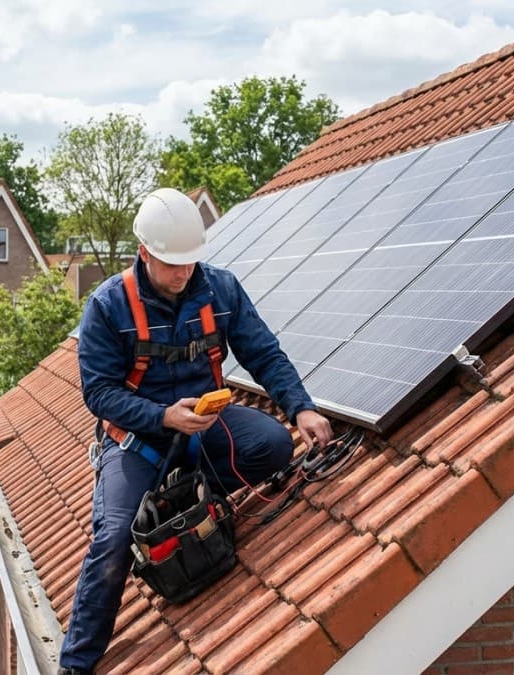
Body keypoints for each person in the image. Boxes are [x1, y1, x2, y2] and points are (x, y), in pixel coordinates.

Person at [59, 188, 333, 674]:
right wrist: (163, 416)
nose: (183, 273)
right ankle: (76, 662)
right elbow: (98, 394)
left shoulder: (220, 290)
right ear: (144, 253)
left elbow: (263, 353)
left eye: (189, 263)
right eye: (170, 264)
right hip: (138, 441)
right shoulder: (107, 307)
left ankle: (192, 496)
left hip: (204, 428)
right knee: (116, 537)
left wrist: (301, 408)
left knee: (271, 445)